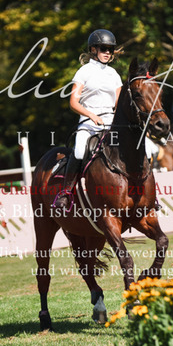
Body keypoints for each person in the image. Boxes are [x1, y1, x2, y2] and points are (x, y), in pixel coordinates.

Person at [52, 29, 123, 210]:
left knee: (138, 147)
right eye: (103, 48)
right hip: (89, 121)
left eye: (110, 49)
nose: (107, 52)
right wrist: (91, 115)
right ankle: (65, 193)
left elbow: (118, 103)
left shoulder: (114, 74)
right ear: (93, 49)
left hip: (111, 121)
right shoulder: (84, 72)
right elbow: (73, 103)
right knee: (79, 151)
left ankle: (146, 193)